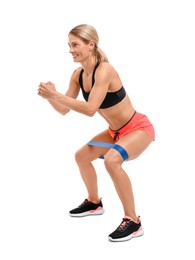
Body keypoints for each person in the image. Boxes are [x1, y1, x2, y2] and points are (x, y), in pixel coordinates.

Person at [38, 24, 155, 242]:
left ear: (91, 45)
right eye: (69, 45)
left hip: (138, 128)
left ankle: (133, 221)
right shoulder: (78, 75)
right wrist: (51, 98)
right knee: (81, 156)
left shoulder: (105, 70)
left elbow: (91, 109)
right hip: (115, 132)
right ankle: (94, 203)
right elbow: (64, 109)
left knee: (111, 161)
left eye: (75, 45)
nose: (71, 50)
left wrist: (57, 95)